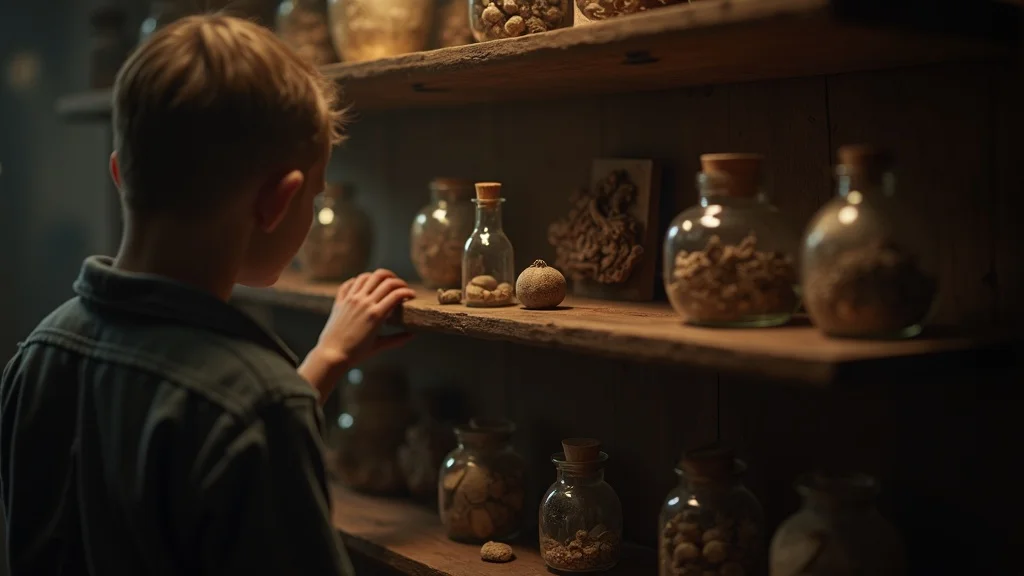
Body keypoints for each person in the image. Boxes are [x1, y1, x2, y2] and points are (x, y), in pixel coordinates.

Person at [0, 14, 415, 576]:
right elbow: (233, 419)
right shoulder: (262, 405)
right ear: (275, 203)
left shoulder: (39, 354)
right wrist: (285, 397)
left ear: (120, 174)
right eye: (313, 198)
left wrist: (323, 361)